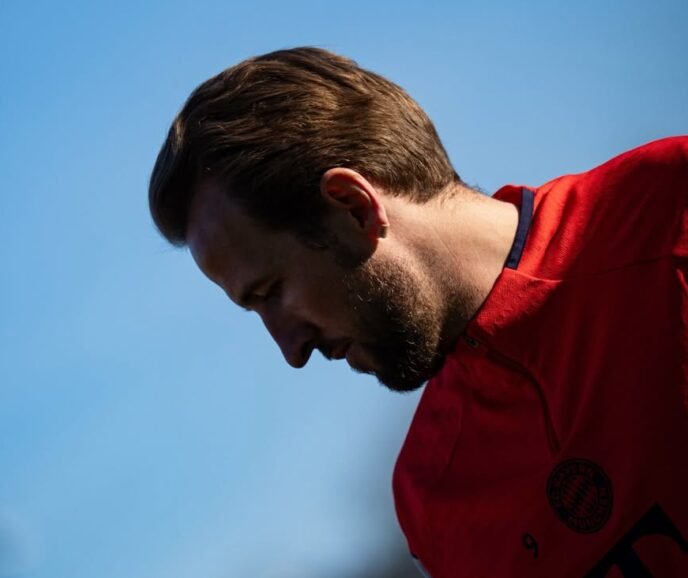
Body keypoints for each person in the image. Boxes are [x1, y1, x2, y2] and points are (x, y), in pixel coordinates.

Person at [148, 47, 688, 577]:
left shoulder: (671, 208)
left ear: (355, 208)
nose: (291, 350)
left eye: (271, 291)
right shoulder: (429, 496)